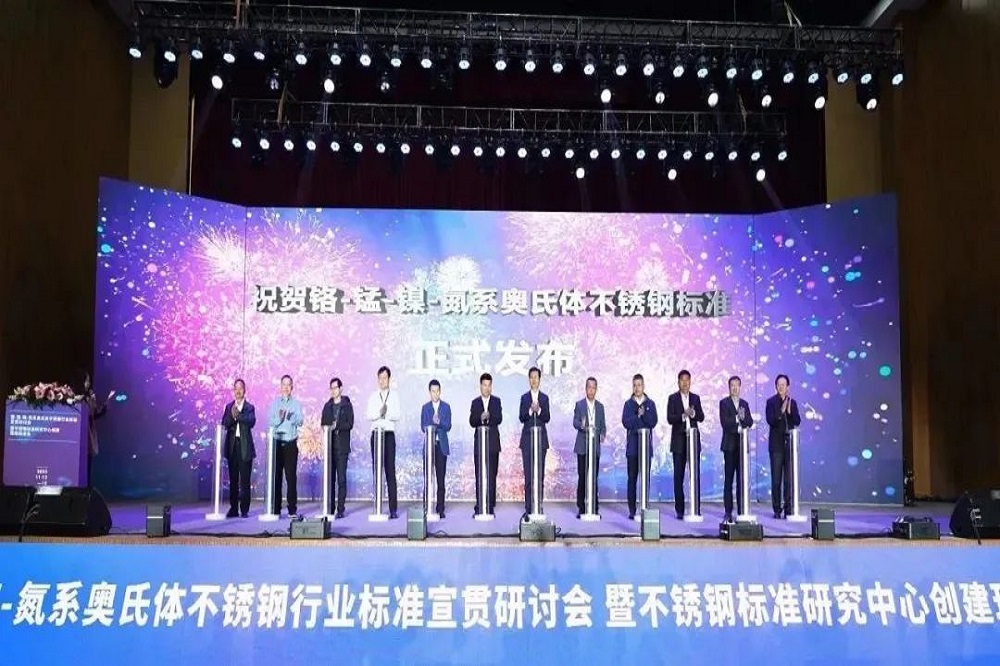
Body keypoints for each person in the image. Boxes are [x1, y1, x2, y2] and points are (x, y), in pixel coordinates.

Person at [666, 369, 705, 519]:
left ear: (690, 382)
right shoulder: (672, 398)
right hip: (679, 442)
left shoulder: (696, 398)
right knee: (678, 477)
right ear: (678, 382)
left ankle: (696, 508)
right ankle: (680, 510)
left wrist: (693, 414)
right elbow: (670, 418)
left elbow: (701, 416)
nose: (684, 383)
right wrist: (683, 415)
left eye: (687, 380)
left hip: (693, 441)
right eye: (682, 380)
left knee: (695, 476)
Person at [366, 366, 401, 519]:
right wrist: (379, 413)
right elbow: (369, 415)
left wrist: (387, 413)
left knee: (390, 471)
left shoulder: (394, 396)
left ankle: (393, 509)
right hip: (376, 434)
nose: (382, 381)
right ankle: (377, 506)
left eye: (385, 378)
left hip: (388, 435)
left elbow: (397, 415)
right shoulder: (373, 396)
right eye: (380, 378)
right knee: (377, 471)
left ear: (389, 379)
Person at [622, 373, 658, 520]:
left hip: (645, 449)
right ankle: (632, 510)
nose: (637, 388)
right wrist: (638, 415)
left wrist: (643, 415)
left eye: (639, 385)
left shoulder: (650, 404)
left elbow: (652, 422)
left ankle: (645, 507)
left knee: (645, 479)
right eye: (635, 385)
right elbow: (626, 422)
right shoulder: (628, 404)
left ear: (643, 386)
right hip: (632, 449)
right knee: (632, 479)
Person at [766, 374, 802, 519]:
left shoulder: (793, 403)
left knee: (789, 480)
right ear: (776, 386)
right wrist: (781, 412)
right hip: (776, 445)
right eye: (779, 384)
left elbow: (797, 421)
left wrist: (789, 412)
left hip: (790, 446)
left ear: (788, 387)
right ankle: (776, 509)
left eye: (783, 385)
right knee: (776, 480)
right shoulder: (771, 402)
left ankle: (788, 508)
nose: (781, 387)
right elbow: (770, 421)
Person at [267, 374, 303, 518]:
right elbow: (271, 421)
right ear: (280, 386)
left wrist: (291, 417)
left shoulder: (296, 404)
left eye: (289, 385)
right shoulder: (275, 403)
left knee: (291, 478)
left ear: (292, 387)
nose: (286, 387)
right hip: (277, 442)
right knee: (276, 477)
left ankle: (292, 510)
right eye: (284, 385)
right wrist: (280, 419)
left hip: (290, 443)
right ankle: (275, 509)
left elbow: (300, 420)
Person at [719, 375, 754, 522]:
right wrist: (736, 418)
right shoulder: (724, 403)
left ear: (740, 387)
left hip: (742, 446)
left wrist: (743, 418)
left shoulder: (744, 403)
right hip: (729, 446)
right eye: (732, 385)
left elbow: (750, 422)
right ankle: (728, 511)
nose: (734, 388)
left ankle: (741, 509)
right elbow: (725, 423)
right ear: (729, 387)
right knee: (728, 480)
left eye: (737, 385)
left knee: (741, 480)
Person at [518, 366, 551, 519]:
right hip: (527, 441)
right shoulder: (524, 398)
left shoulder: (544, 398)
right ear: (528, 379)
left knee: (539, 476)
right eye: (531, 377)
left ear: (539, 379)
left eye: (536, 377)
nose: (534, 380)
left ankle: (539, 506)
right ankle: (529, 508)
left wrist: (540, 410)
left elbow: (547, 418)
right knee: (529, 476)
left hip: (541, 441)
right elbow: (521, 417)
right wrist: (531, 410)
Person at [221, 378, 256, 518]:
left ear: (244, 390)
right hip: (232, 447)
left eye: (240, 388)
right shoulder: (229, 407)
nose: (238, 391)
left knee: (245, 481)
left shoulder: (249, 407)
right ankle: (233, 508)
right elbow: (224, 423)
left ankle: (244, 510)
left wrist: (239, 415)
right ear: (233, 390)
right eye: (236, 388)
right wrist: (232, 415)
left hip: (245, 447)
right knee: (233, 480)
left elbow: (251, 421)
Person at [469, 372, 502, 516]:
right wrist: (480, 418)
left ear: (491, 386)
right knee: (480, 475)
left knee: (492, 475)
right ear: (480, 386)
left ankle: (490, 505)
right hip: (479, 445)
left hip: (493, 444)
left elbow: (499, 418)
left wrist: (488, 417)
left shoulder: (496, 401)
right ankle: (480, 504)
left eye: (489, 385)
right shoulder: (475, 402)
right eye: (484, 385)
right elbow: (472, 421)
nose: (487, 388)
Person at [320, 377, 354, 519]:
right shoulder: (327, 406)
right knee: (330, 480)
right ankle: (330, 508)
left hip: (342, 448)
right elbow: (323, 423)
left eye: (335, 388)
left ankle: (340, 509)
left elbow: (350, 424)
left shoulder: (347, 405)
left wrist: (337, 426)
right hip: (330, 447)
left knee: (341, 479)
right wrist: (329, 427)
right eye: (331, 388)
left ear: (341, 389)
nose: (333, 390)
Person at [573, 376, 606, 518]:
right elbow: (575, 422)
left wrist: (603, 434)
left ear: (596, 389)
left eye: (593, 388)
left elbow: (603, 426)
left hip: (595, 447)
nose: (591, 390)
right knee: (582, 477)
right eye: (589, 387)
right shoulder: (579, 405)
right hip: (582, 446)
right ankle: (581, 507)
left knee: (594, 478)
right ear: (585, 389)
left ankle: (594, 506)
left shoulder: (600, 407)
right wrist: (582, 425)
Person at [420, 379, 452, 518]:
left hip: (441, 445)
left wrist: (439, 422)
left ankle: (440, 508)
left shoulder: (446, 407)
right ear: (429, 392)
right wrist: (433, 423)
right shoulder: (425, 407)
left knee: (440, 479)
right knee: (427, 478)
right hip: (429, 445)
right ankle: (426, 507)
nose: (435, 393)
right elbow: (423, 426)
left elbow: (448, 426)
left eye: (437, 391)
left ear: (440, 391)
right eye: (433, 391)